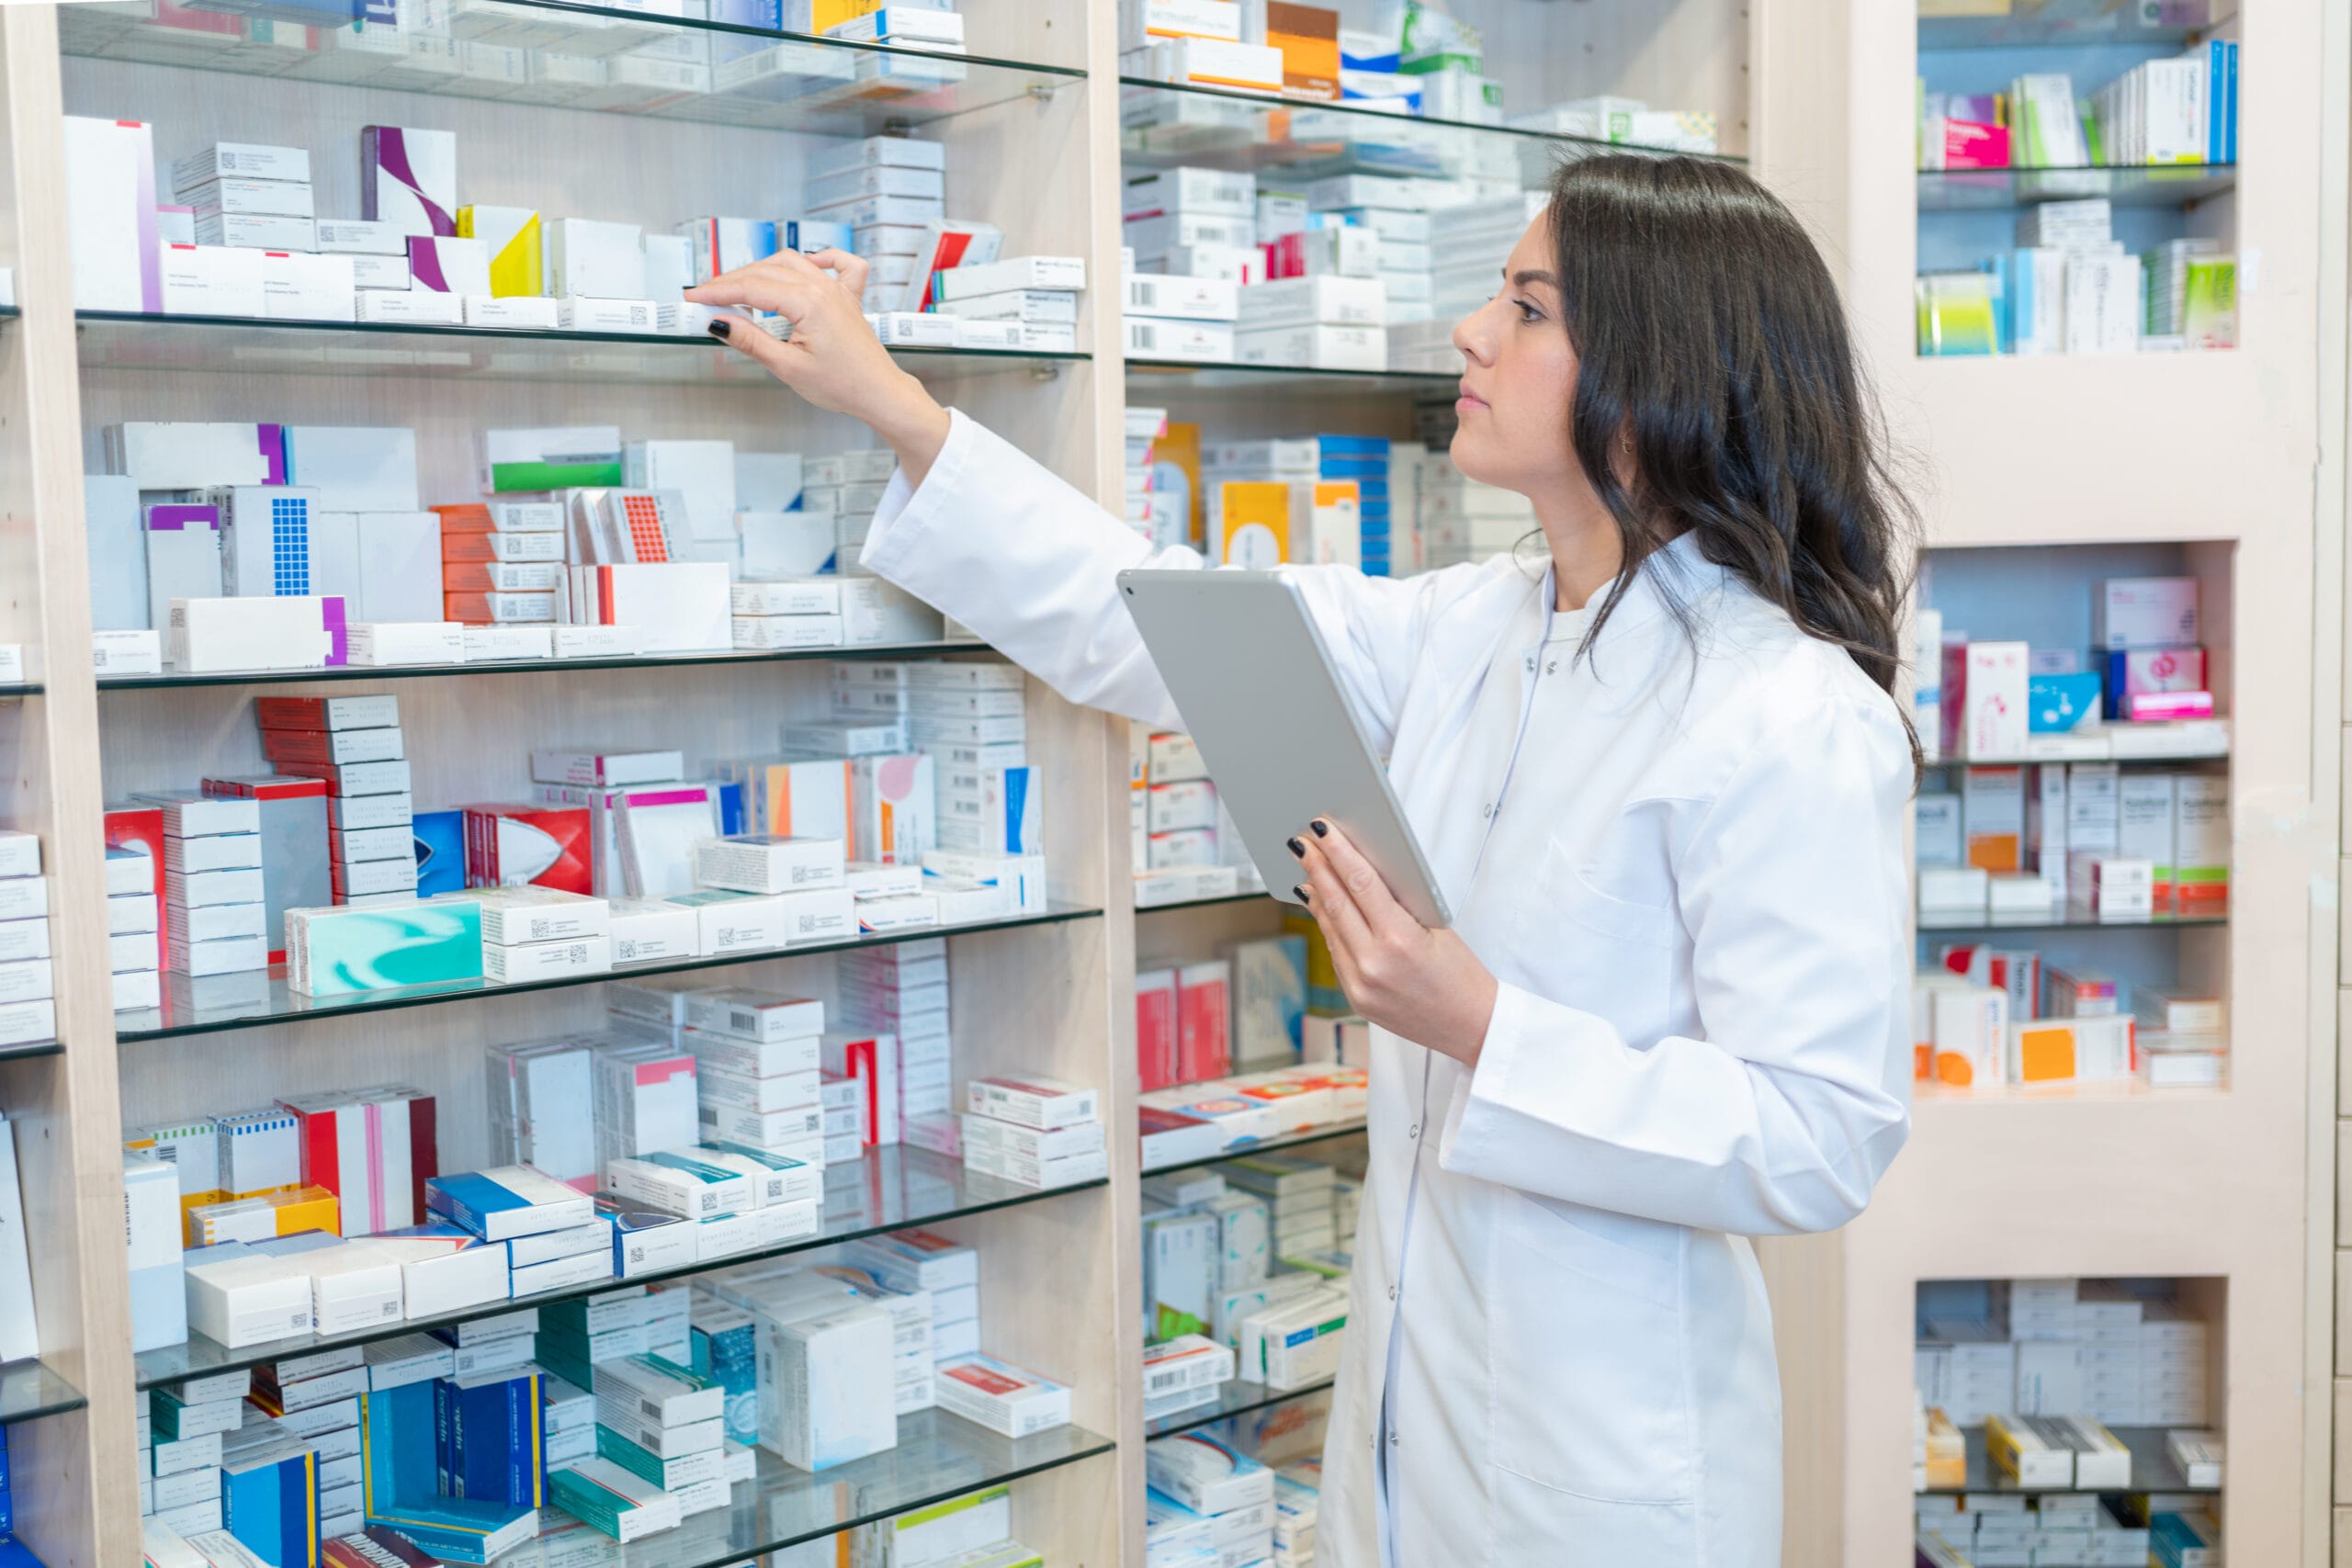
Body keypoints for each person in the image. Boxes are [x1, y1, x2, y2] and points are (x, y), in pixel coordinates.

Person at [688, 152, 1917, 1567]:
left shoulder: (1787, 711)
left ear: (1658, 374)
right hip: (1411, 1403)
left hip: (1612, 1455)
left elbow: (1819, 1139)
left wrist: (1483, 1028)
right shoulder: (1473, 628)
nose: (1472, 335)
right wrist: (894, 407)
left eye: (1527, 310)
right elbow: (1161, 625)